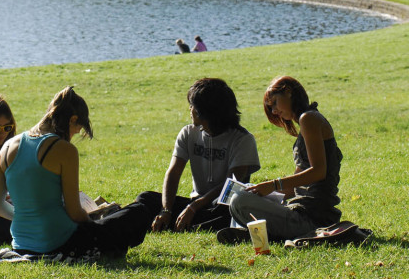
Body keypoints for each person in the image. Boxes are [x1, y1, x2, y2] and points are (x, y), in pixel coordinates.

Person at [0, 86, 152, 260]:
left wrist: (26, 218)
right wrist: (92, 223)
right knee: (141, 208)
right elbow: (74, 212)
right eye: (76, 131)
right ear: (72, 120)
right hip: (61, 242)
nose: (73, 136)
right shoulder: (63, 149)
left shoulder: (8, 146)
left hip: (21, 244)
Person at [218, 75, 343, 243]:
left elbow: (318, 172)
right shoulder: (307, 121)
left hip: (312, 219)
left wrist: (273, 185)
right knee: (243, 194)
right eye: (271, 108)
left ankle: (259, 234)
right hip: (300, 211)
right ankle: (258, 233)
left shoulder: (309, 119)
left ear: (288, 92)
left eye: (275, 103)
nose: (274, 112)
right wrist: (263, 192)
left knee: (239, 200)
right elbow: (296, 187)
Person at [137, 78, 260, 232]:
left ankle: (184, 225)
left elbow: (231, 184)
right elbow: (173, 173)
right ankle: (186, 224)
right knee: (145, 198)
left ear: (205, 112)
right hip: (196, 203)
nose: (190, 109)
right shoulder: (188, 133)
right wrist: (166, 210)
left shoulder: (242, 139)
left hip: (221, 205)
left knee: (228, 212)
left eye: (193, 106)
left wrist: (193, 207)